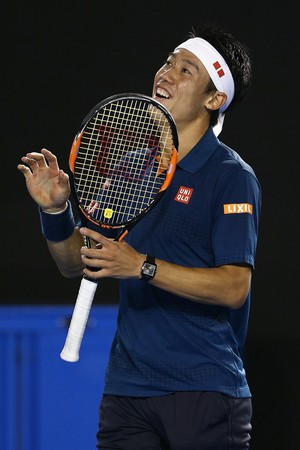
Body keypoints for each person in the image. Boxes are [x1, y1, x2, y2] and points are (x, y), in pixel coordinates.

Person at [18, 22, 261, 450]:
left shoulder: (232, 178)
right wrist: (56, 211)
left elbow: (234, 287)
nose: (165, 73)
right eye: (168, 62)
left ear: (214, 98)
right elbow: (77, 262)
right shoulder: (132, 167)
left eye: (186, 70)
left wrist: (142, 266)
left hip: (205, 390)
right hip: (127, 392)